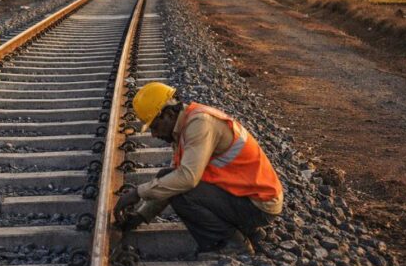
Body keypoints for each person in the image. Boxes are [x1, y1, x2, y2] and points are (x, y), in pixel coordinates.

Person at [114, 82, 283, 256]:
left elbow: (186, 179)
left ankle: (231, 243)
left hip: (259, 204)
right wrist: (141, 216)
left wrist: (138, 193)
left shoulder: (200, 124)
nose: (154, 134)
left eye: (155, 127)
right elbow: (171, 179)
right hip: (247, 196)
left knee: (182, 191)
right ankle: (247, 231)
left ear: (169, 114)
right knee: (169, 177)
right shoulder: (185, 125)